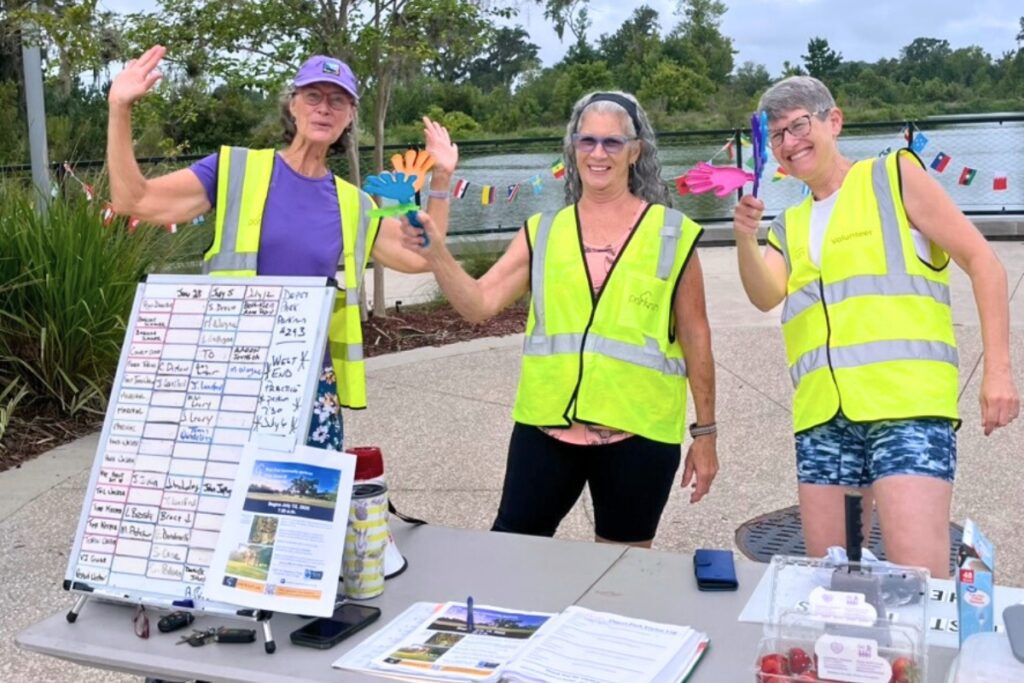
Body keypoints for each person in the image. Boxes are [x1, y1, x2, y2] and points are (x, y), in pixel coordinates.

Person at [399, 91, 718, 547]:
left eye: (612, 142)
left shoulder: (673, 232)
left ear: (635, 151)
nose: (598, 153)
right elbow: (478, 305)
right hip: (545, 431)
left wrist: (705, 435)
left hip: (639, 437)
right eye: (587, 141)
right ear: (572, 149)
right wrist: (437, 253)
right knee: (508, 560)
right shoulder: (542, 231)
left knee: (620, 573)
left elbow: (696, 336)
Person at [732, 76, 1020, 577]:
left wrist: (998, 370)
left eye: (799, 125)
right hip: (824, 416)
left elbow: (983, 262)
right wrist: (744, 237)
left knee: (918, 576)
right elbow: (765, 294)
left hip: (906, 407)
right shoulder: (789, 223)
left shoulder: (893, 177)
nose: (789, 142)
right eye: (777, 135)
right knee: (832, 579)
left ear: (833, 121)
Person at [106, 45, 459, 451]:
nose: (324, 108)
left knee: (304, 507)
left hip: (307, 385)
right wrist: (120, 110)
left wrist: (442, 179)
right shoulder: (234, 169)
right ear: (292, 106)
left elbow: (422, 257)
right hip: (226, 379)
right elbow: (134, 200)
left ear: (349, 118)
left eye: (337, 100)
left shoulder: (353, 203)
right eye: (313, 96)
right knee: (225, 504)